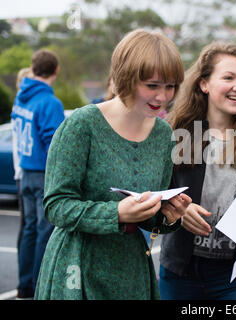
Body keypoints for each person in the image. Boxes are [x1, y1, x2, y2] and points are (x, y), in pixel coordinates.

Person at [34, 29, 191, 300]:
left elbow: (151, 216)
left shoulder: (164, 135)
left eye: (171, 86)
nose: (163, 97)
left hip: (131, 269)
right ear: (126, 78)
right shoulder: (82, 125)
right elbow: (55, 206)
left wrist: (168, 217)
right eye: (152, 85)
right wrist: (116, 214)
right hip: (77, 264)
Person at [159, 42, 236, 300]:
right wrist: (178, 209)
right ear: (204, 84)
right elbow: (157, 193)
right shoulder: (174, 134)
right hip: (181, 272)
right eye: (229, 77)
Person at [10, 51, 65, 299]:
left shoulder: (22, 98)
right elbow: (54, 143)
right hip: (43, 173)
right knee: (45, 232)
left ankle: (24, 285)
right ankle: (38, 286)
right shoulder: (49, 102)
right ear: (56, 71)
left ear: (33, 68)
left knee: (30, 229)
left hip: (26, 172)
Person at [12, 67, 33, 253]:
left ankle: (23, 276)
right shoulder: (25, 103)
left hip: (22, 168)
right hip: (24, 169)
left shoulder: (19, 104)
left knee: (27, 224)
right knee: (28, 224)